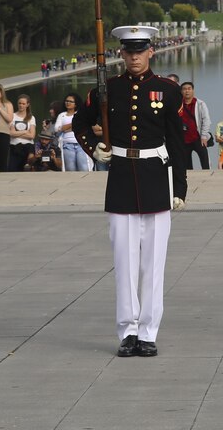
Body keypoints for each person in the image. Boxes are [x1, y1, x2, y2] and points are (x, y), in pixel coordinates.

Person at [73, 25, 189, 358]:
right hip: (122, 177)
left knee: (153, 265)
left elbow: (177, 142)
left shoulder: (167, 90)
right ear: (121, 54)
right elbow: (81, 122)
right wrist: (94, 147)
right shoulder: (107, 89)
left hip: (156, 177)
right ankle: (128, 330)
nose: (135, 56)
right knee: (124, 263)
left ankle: (149, 331)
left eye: (140, 50)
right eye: (129, 51)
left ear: (151, 51)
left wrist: (179, 187)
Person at [178, 81, 212, 170]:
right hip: (184, 139)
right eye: (184, 89)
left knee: (205, 161)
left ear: (193, 91)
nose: (187, 91)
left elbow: (206, 120)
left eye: (189, 89)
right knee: (186, 165)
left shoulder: (200, 104)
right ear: (181, 91)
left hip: (198, 137)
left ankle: (207, 177)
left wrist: (204, 136)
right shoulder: (178, 104)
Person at [54, 93, 85, 172]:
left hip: (80, 144)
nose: (68, 103)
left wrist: (65, 128)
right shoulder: (62, 115)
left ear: (75, 104)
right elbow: (57, 129)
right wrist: (74, 125)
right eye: (66, 101)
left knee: (83, 167)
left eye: (71, 101)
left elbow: (83, 126)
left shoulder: (80, 114)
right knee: (70, 169)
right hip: (67, 144)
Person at [7, 94, 37, 172]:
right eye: (19, 103)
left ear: (27, 105)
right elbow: (10, 133)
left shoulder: (31, 118)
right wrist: (24, 131)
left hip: (28, 146)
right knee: (12, 169)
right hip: (15, 146)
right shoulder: (12, 116)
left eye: (23, 104)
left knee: (27, 169)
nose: (21, 105)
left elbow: (32, 135)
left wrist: (17, 132)